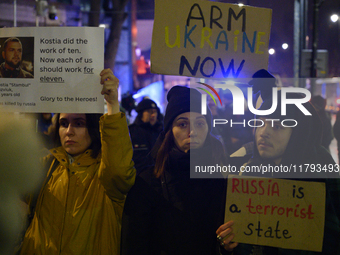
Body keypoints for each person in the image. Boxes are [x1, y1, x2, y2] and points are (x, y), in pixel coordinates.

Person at [218, 72, 340, 255]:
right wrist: (227, 244)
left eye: (277, 126)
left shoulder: (324, 174)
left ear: (298, 133)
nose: (263, 132)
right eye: (260, 123)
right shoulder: (247, 170)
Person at [19, 69, 136, 255]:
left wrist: (113, 104)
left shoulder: (105, 173)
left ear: (93, 126)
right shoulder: (45, 165)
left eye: (79, 123)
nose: (69, 131)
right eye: (64, 123)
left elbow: (119, 168)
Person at [121, 86, 228, 255]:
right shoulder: (147, 182)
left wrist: (227, 246)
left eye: (200, 123)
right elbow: (133, 245)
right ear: (170, 131)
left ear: (209, 128)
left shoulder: (222, 181)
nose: (192, 132)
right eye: (182, 124)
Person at [128, 98, 163, 174]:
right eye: (150, 112)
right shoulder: (131, 132)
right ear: (141, 114)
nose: (153, 115)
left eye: (155, 112)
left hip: (158, 179)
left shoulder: (161, 132)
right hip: (138, 179)